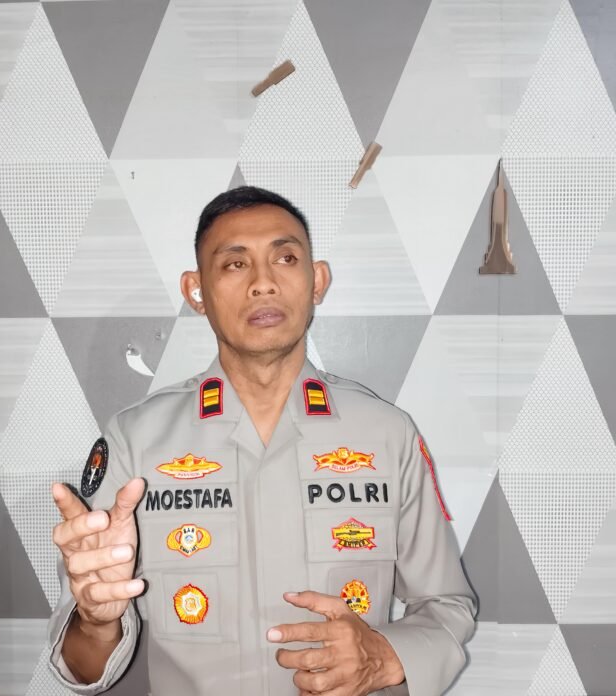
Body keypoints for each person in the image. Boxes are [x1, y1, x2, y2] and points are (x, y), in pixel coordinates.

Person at [48, 186, 477, 696]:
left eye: (285, 258)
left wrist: (383, 656)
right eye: (235, 264)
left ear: (317, 281)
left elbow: (447, 606)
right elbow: (83, 668)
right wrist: (96, 621)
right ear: (196, 291)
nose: (263, 283)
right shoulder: (135, 441)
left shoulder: (387, 434)